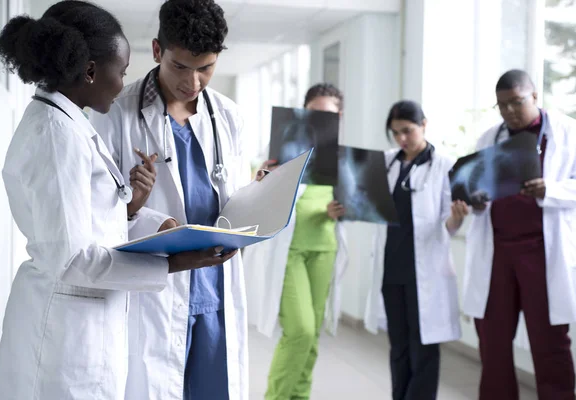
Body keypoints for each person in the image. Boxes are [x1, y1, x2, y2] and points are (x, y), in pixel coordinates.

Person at [0, 1, 236, 399]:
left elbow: (90, 218)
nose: (125, 82)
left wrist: (155, 222)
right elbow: (71, 258)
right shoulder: (57, 135)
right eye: (121, 72)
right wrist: (173, 262)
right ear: (90, 71)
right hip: (65, 334)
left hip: (83, 322)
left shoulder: (69, 124)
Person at [89, 1, 256, 399]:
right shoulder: (115, 114)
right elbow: (95, 212)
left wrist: (262, 193)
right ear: (158, 51)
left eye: (206, 68)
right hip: (156, 287)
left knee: (214, 388)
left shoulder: (228, 117)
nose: (194, 82)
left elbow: (232, 198)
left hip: (215, 283)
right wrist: (139, 210)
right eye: (181, 66)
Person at [462, 69, 576, 400]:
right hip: (497, 251)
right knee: (492, 339)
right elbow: (476, 188)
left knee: (549, 341)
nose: (510, 111)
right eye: (502, 105)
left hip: (542, 252)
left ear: (534, 97)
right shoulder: (489, 139)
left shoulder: (567, 132)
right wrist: (476, 202)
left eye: (517, 102)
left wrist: (549, 189)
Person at [243, 83, 348, 400]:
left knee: (312, 334)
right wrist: (261, 177)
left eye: (327, 115)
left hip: (324, 249)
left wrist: (340, 209)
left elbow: (354, 203)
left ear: (340, 117)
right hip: (288, 251)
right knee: (299, 331)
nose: (320, 121)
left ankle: (300, 396)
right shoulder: (282, 151)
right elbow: (254, 195)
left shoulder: (344, 159)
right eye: (314, 115)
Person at [363, 100, 466, 400]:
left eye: (407, 131)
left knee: (424, 348)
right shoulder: (386, 162)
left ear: (424, 124)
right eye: (395, 133)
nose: (401, 139)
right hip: (392, 268)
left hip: (426, 271)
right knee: (399, 347)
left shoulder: (445, 165)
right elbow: (368, 203)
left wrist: (456, 218)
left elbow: (449, 222)